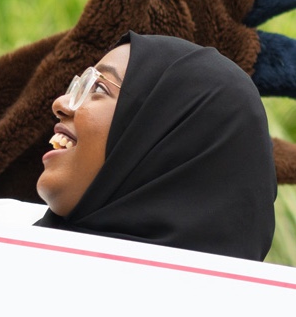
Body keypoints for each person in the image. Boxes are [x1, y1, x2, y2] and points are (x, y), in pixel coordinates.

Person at [34, 32, 276, 260]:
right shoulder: (11, 251)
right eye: (79, 86)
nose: (61, 103)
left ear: (167, 143)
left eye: (98, 88)